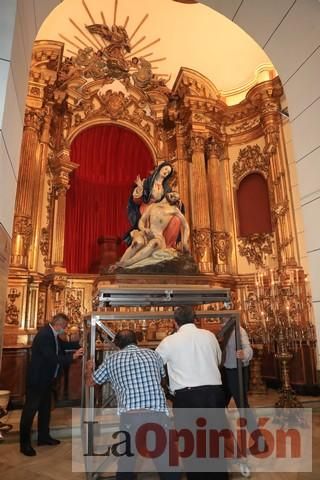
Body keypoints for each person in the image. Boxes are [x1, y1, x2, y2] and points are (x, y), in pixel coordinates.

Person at [87, 330, 181, 480]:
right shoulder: (153, 355)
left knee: (127, 460)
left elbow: (92, 382)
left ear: (117, 344)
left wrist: (89, 368)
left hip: (131, 416)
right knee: (166, 459)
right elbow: (163, 379)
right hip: (157, 414)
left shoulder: (111, 360)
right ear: (136, 340)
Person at [156, 306, 229, 480]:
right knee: (215, 442)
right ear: (195, 319)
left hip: (188, 398)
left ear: (175, 322)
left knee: (191, 445)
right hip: (214, 394)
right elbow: (219, 360)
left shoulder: (169, 341)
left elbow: (156, 364)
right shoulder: (209, 336)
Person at [19, 313, 83, 456]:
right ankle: (24, 445)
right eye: (65, 327)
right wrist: (72, 357)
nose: (65, 330)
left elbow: (63, 345)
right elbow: (51, 358)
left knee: (45, 410)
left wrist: (79, 344)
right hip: (37, 380)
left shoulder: (52, 333)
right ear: (59, 325)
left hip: (47, 380)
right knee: (30, 412)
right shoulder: (45, 335)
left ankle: (43, 437)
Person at [117, 191, 189, 269]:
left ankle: (128, 263)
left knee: (154, 244)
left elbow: (186, 225)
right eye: (174, 194)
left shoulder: (174, 209)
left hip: (158, 237)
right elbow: (141, 221)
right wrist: (144, 229)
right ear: (168, 193)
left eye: (176, 198)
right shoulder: (152, 206)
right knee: (138, 242)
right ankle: (120, 264)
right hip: (145, 233)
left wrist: (184, 242)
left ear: (175, 201)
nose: (174, 196)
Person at [125, 162, 182, 247]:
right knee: (151, 216)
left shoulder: (166, 187)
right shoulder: (147, 182)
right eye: (166, 169)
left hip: (161, 209)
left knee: (176, 220)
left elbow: (171, 200)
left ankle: (167, 246)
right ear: (160, 168)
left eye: (168, 172)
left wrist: (177, 202)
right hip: (148, 207)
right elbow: (136, 200)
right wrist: (140, 188)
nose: (166, 172)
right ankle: (152, 243)